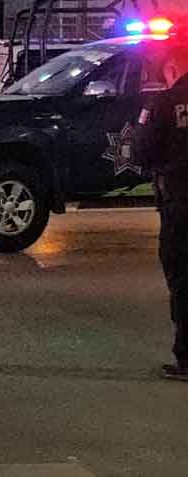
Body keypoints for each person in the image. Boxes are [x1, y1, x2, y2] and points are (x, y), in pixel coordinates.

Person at [134, 55, 188, 381]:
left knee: (183, 279)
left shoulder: (163, 104)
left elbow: (142, 152)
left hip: (180, 203)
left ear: (173, 69)